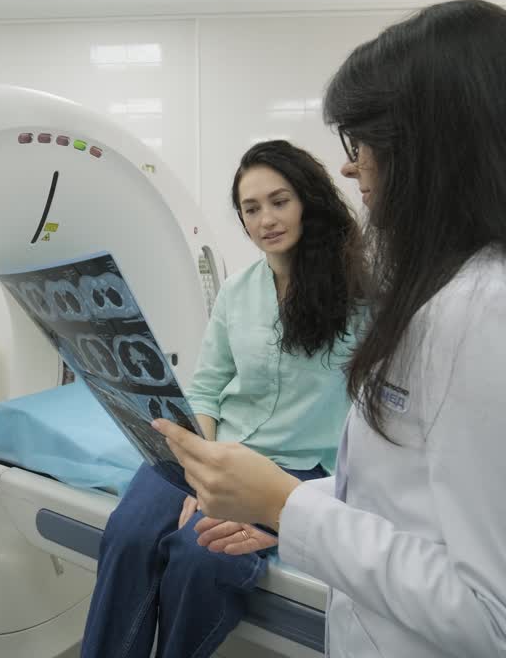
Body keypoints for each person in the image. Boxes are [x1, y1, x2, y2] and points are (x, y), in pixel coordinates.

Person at [155, 0, 506, 658]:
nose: (352, 166)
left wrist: (287, 507)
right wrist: (283, 503)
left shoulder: (497, 320)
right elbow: (416, 499)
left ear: (435, 149)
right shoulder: (465, 297)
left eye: (363, 143)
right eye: (249, 208)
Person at [80, 140, 371, 658]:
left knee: (201, 555)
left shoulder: (362, 295)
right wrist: (202, 468)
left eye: (279, 201)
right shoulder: (237, 291)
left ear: (308, 201)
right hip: (211, 448)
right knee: (128, 533)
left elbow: (369, 409)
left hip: (293, 468)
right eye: (251, 209)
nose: (266, 220)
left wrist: (309, 506)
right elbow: (207, 389)